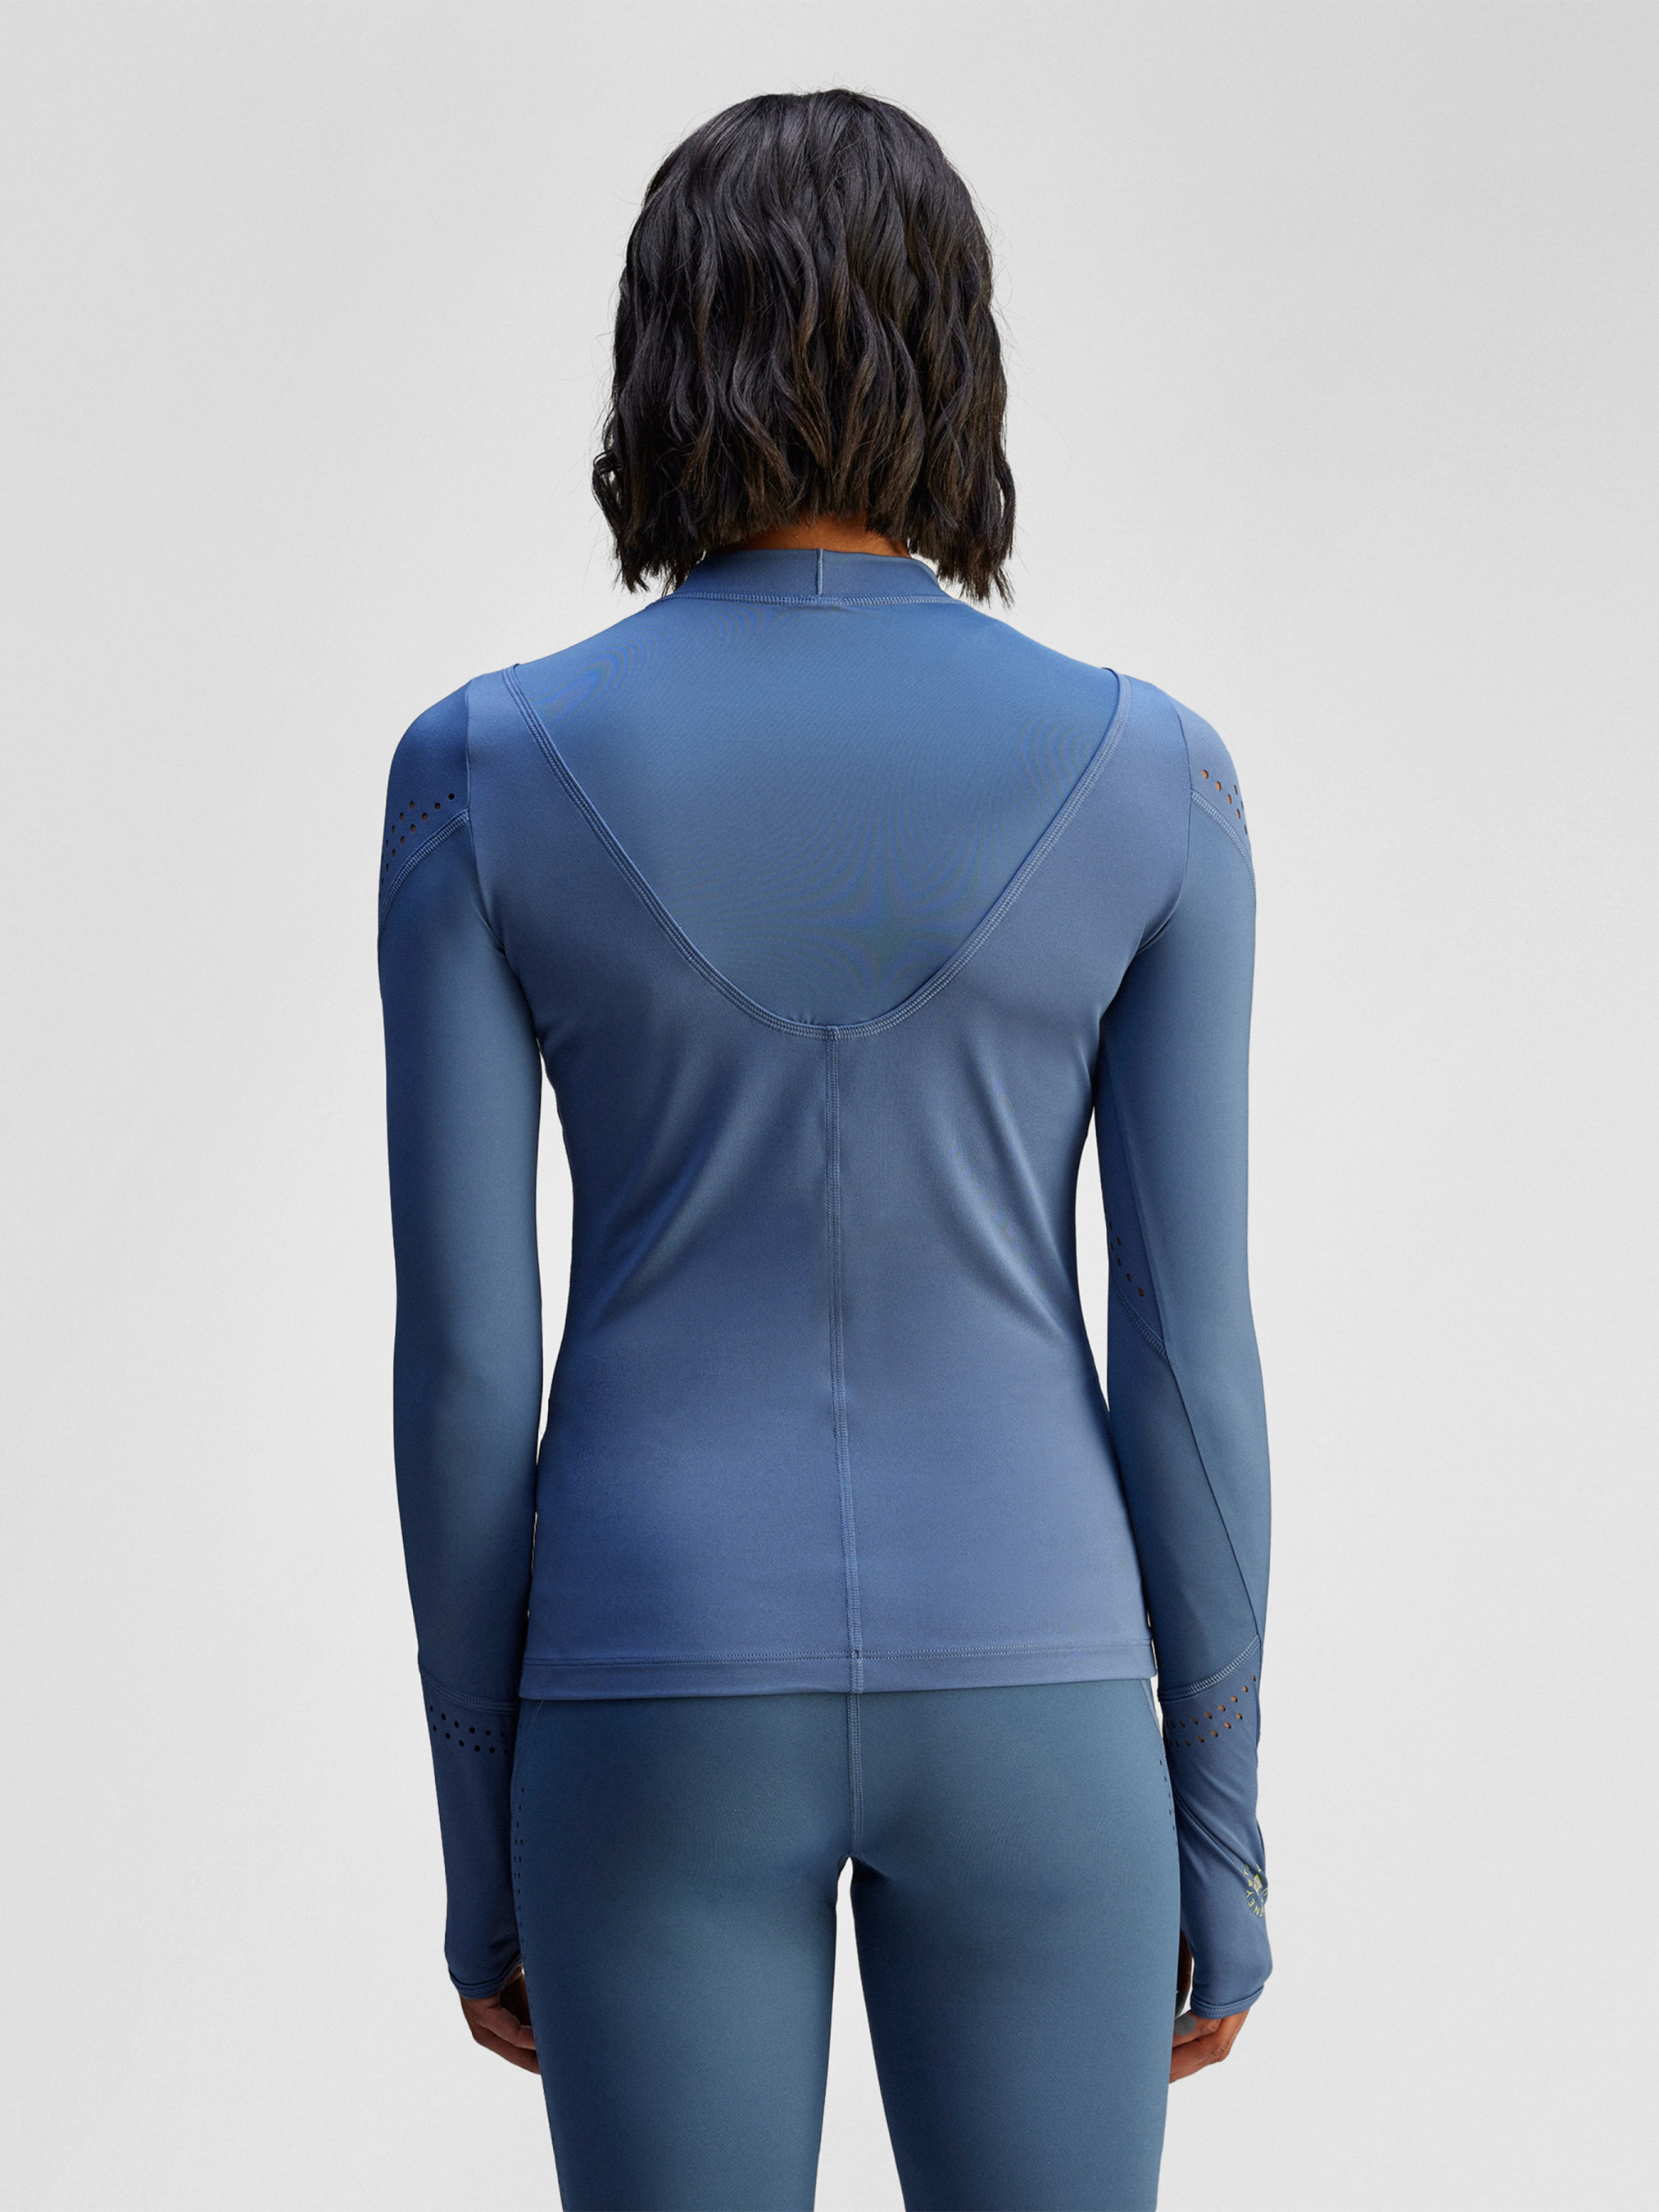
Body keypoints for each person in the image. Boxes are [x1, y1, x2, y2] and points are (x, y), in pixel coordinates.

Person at [378, 87, 1271, 2212]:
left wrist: (483, 1835)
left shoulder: (483, 770)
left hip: (645, 1683)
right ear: (958, 360)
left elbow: (469, 1370)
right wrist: (1222, 1831)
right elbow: (1186, 1358)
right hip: (1039, 1685)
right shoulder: (1152, 775)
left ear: (656, 364)